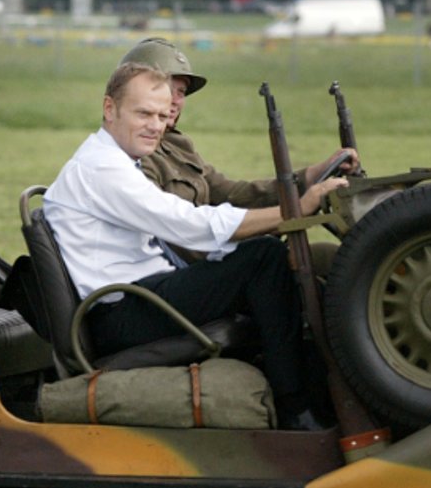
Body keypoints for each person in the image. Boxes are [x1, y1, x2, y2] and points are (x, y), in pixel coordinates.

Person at [43, 62, 350, 431]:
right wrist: (295, 210)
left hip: (142, 296)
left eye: (160, 115)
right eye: (143, 114)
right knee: (263, 259)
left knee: (261, 254)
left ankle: (307, 394)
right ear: (110, 109)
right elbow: (188, 225)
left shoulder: (117, 161)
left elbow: (201, 216)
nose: (156, 126)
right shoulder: (101, 169)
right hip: (122, 312)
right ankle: (295, 411)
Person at [122, 37, 353, 266]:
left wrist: (310, 177)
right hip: (191, 276)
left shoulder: (177, 146)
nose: (173, 101)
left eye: (180, 92)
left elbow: (233, 194)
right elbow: (176, 231)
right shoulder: (136, 157)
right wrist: (266, 230)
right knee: (317, 262)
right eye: (164, 89)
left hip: (216, 257)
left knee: (332, 259)